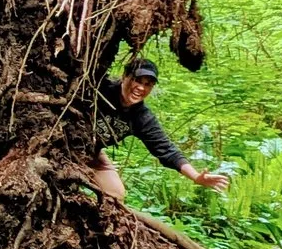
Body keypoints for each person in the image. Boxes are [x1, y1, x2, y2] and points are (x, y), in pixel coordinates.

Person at [90, 57, 227, 202]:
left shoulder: (141, 117)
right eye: (137, 80)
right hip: (67, 145)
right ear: (125, 76)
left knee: (116, 196)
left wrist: (195, 177)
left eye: (148, 84)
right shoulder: (99, 89)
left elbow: (167, 150)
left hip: (93, 154)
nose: (141, 88)